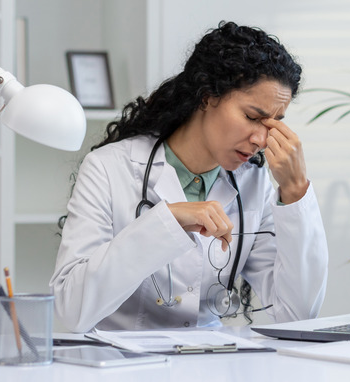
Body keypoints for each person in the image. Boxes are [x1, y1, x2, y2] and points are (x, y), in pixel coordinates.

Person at [50, 21, 329, 333]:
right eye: (252, 117)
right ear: (207, 97)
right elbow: (71, 310)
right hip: (119, 363)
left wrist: (294, 190)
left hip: (207, 362)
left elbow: (298, 314)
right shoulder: (109, 167)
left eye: (275, 122)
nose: (262, 139)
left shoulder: (254, 182)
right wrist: (165, 222)